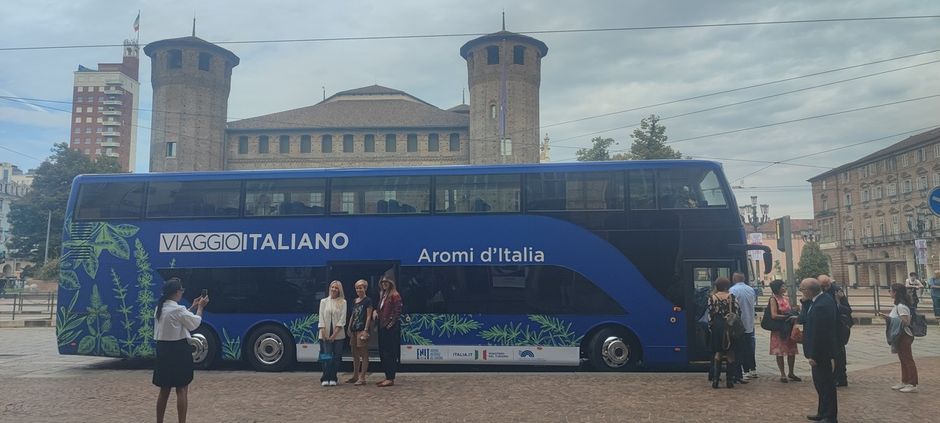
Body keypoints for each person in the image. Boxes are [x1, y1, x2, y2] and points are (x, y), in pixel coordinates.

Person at [153, 277, 208, 423]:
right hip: (178, 350)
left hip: (163, 350)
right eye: (181, 290)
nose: (182, 293)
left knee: (164, 391)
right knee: (182, 389)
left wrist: (192, 307)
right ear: (177, 292)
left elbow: (178, 319)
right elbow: (194, 323)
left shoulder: (160, 308)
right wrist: (201, 307)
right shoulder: (178, 309)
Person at [800, 278, 839, 423]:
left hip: (822, 352)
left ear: (809, 291)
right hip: (821, 350)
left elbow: (819, 332)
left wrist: (813, 354)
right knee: (820, 384)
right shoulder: (819, 300)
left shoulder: (821, 305)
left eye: (802, 289)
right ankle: (822, 411)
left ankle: (829, 415)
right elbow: (804, 319)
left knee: (826, 384)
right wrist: (804, 303)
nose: (801, 292)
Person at [878, 283, 919, 393]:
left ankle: (912, 383)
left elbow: (906, 322)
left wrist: (889, 318)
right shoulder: (898, 306)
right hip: (900, 334)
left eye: (890, 290)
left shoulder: (901, 307)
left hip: (904, 334)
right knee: (903, 359)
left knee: (907, 359)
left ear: (895, 292)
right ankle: (905, 381)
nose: (890, 293)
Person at [818, 274, 851, 387]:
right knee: (831, 353)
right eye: (823, 285)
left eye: (827, 285)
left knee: (839, 354)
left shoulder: (837, 291)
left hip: (838, 328)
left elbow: (848, 310)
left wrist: (837, 303)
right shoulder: (820, 292)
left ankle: (841, 377)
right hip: (827, 327)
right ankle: (834, 376)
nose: (825, 287)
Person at [707, 277, 739, 389]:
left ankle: (715, 380)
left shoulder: (712, 297)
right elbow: (737, 312)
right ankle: (729, 381)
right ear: (727, 286)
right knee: (730, 353)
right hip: (729, 326)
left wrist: (711, 326)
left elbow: (710, 314)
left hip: (717, 326)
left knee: (718, 352)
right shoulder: (732, 297)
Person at [767, 279, 801, 383]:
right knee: (780, 352)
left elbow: (789, 309)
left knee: (791, 351)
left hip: (788, 327)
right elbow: (773, 315)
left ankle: (791, 372)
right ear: (777, 288)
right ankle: (782, 374)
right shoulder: (773, 299)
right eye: (782, 286)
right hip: (779, 328)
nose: (785, 288)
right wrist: (787, 316)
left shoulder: (785, 298)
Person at [375, 273, 402, 387]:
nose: (384, 284)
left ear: (391, 283)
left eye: (386, 282)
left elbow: (397, 311)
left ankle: (390, 378)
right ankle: (387, 376)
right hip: (382, 326)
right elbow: (381, 309)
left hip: (389, 328)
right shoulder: (383, 294)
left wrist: (390, 324)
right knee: (383, 352)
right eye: (382, 282)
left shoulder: (395, 295)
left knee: (390, 353)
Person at [728, 272, 756, 382]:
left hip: (738, 326)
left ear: (734, 279)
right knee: (749, 347)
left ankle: (745, 371)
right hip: (749, 323)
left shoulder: (732, 290)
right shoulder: (750, 289)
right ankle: (752, 369)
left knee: (740, 349)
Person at [318, 280, 347, 387]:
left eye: (336, 288)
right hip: (324, 333)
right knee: (326, 357)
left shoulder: (343, 302)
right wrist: (323, 331)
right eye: (332, 287)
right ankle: (325, 377)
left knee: (336, 357)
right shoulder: (323, 301)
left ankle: (333, 377)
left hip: (338, 334)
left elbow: (342, 319)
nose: (334, 289)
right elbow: (321, 317)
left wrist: (334, 334)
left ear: (339, 290)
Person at [346, 279, 373, 386]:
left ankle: (362, 377)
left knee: (363, 353)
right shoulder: (354, 301)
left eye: (360, 287)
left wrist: (366, 330)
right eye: (357, 288)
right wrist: (349, 326)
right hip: (354, 329)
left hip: (362, 330)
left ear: (365, 288)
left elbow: (368, 316)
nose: (358, 289)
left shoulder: (368, 301)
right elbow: (353, 314)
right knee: (354, 353)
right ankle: (355, 375)